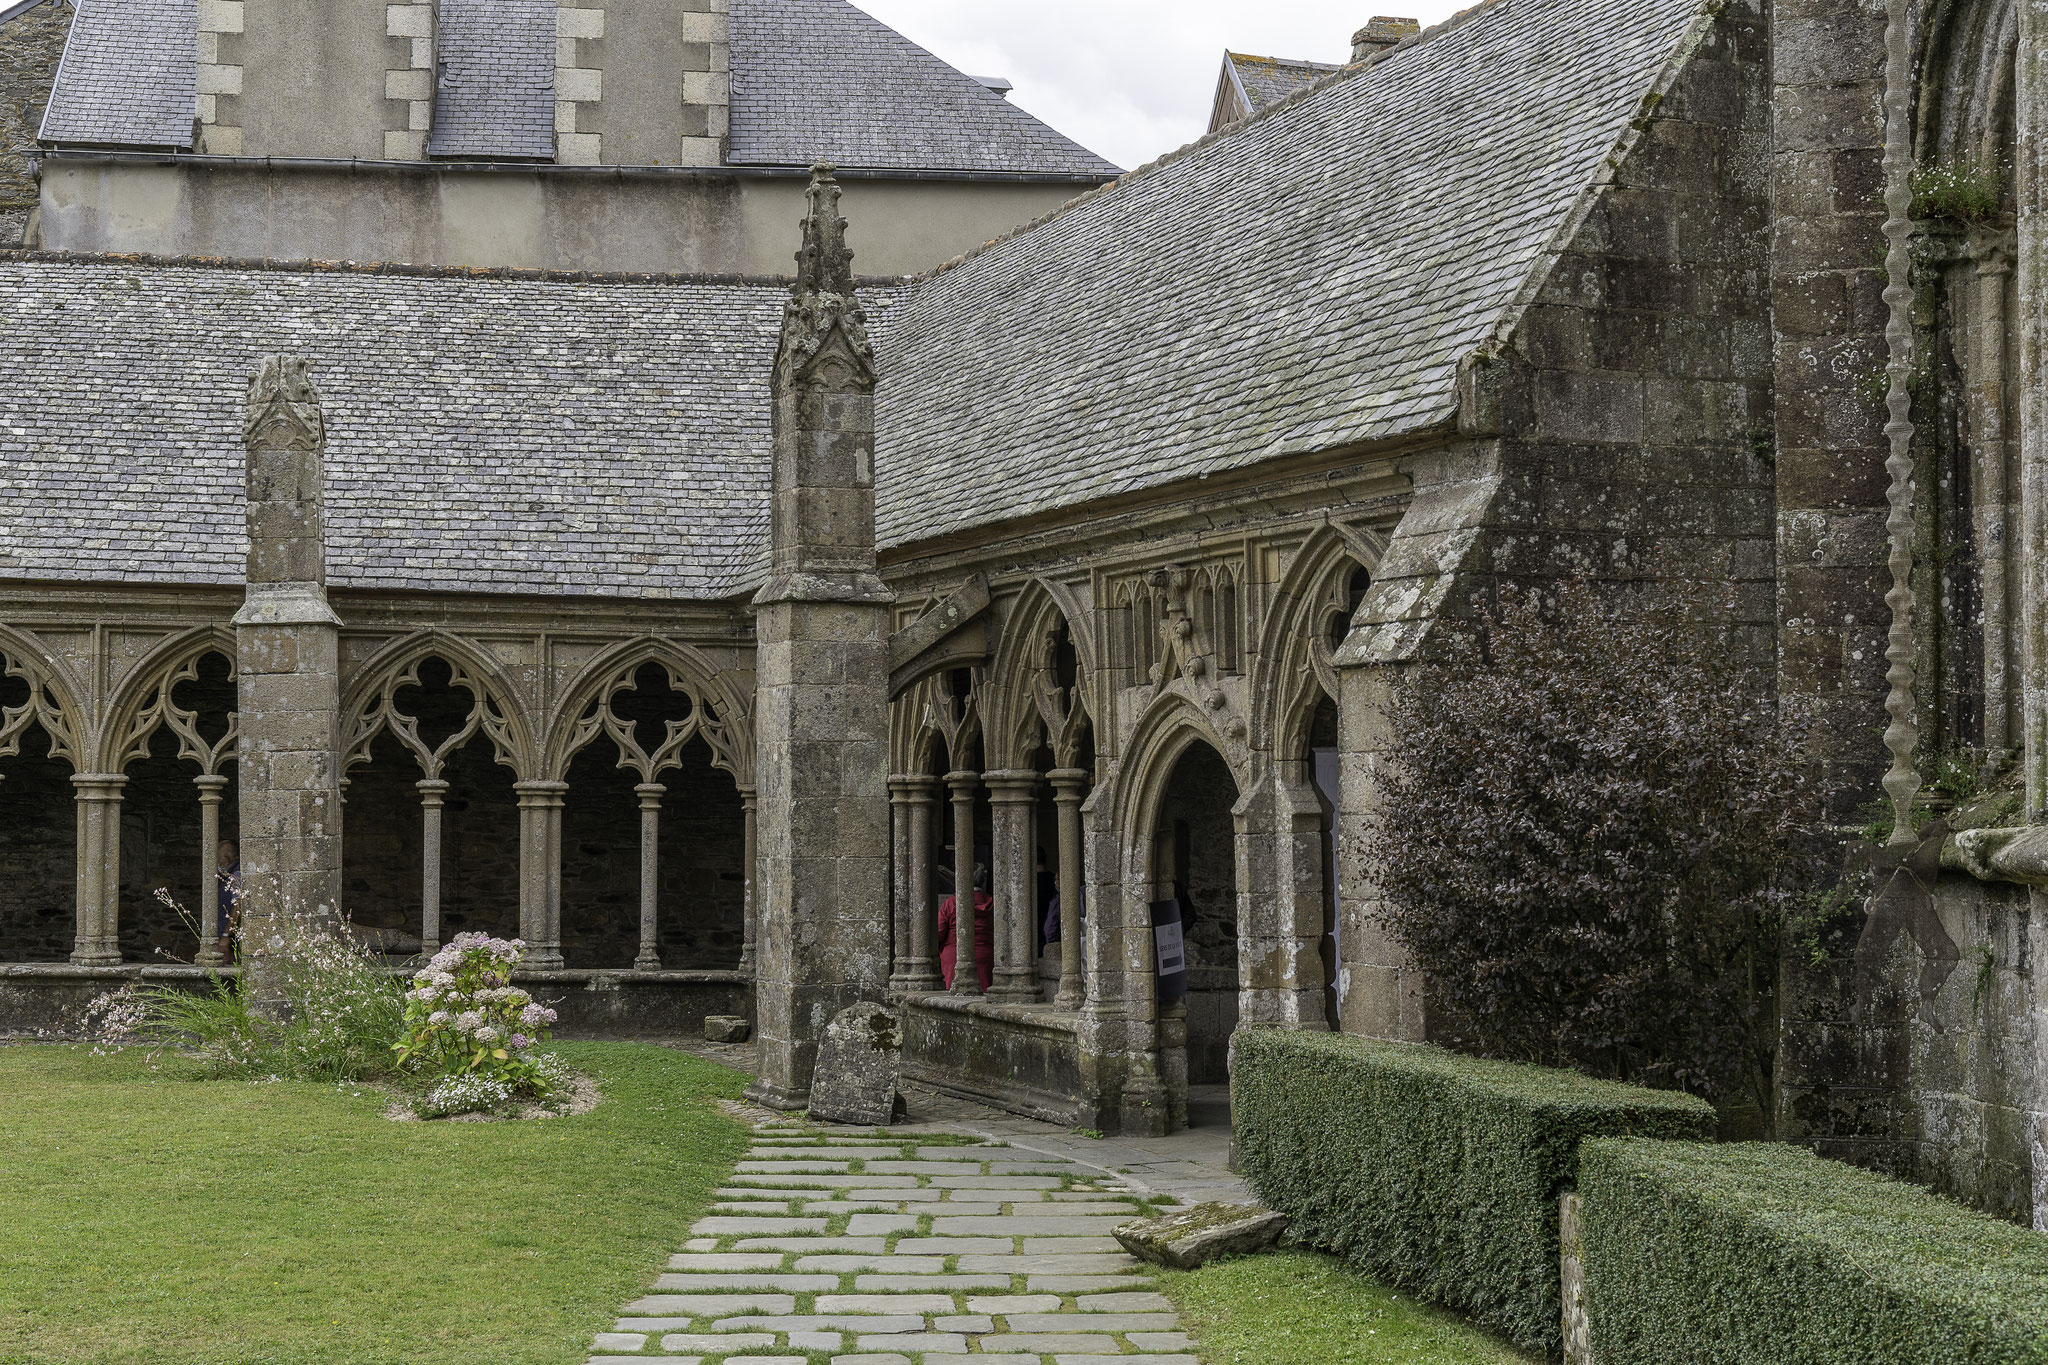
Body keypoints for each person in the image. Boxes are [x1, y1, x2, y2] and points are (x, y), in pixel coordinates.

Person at [936, 862, 995, 991]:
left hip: (954, 957)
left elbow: (939, 933)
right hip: (985, 956)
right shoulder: (991, 902)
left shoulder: (951, 903)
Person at [215, 839, 241, 944]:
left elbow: (239, 904)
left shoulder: (236, 875)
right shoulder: (227, 876)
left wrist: (226, 935)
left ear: (226, 858)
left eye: (217, 859)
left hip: (231, 938)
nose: (216, 863)